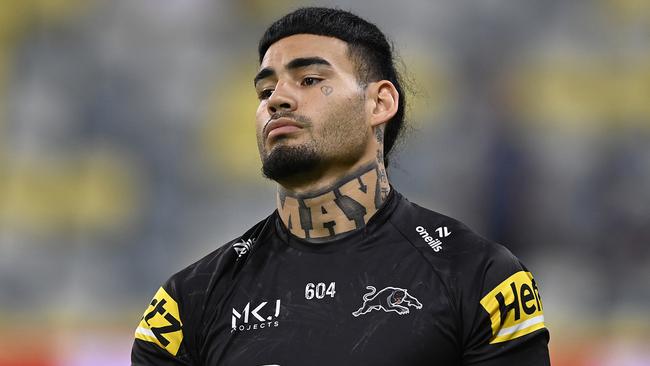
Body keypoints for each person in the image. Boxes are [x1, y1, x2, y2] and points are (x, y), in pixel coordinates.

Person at [131, 7, 550, 365]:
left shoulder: (480, 277)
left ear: (379, 103)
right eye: (265, 89)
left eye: (309, 79)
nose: (276, 98)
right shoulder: (187, 302)